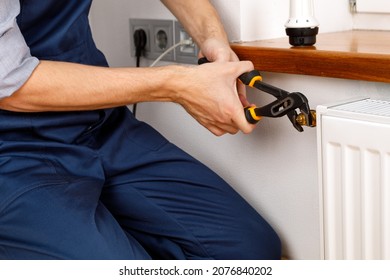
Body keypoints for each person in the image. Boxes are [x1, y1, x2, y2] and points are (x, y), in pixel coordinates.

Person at [0, 0, 281, 260]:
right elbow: (10, 83)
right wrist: (177, 85)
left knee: (249, 250)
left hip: (100, 124)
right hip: (13, 150)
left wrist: (211, 37)